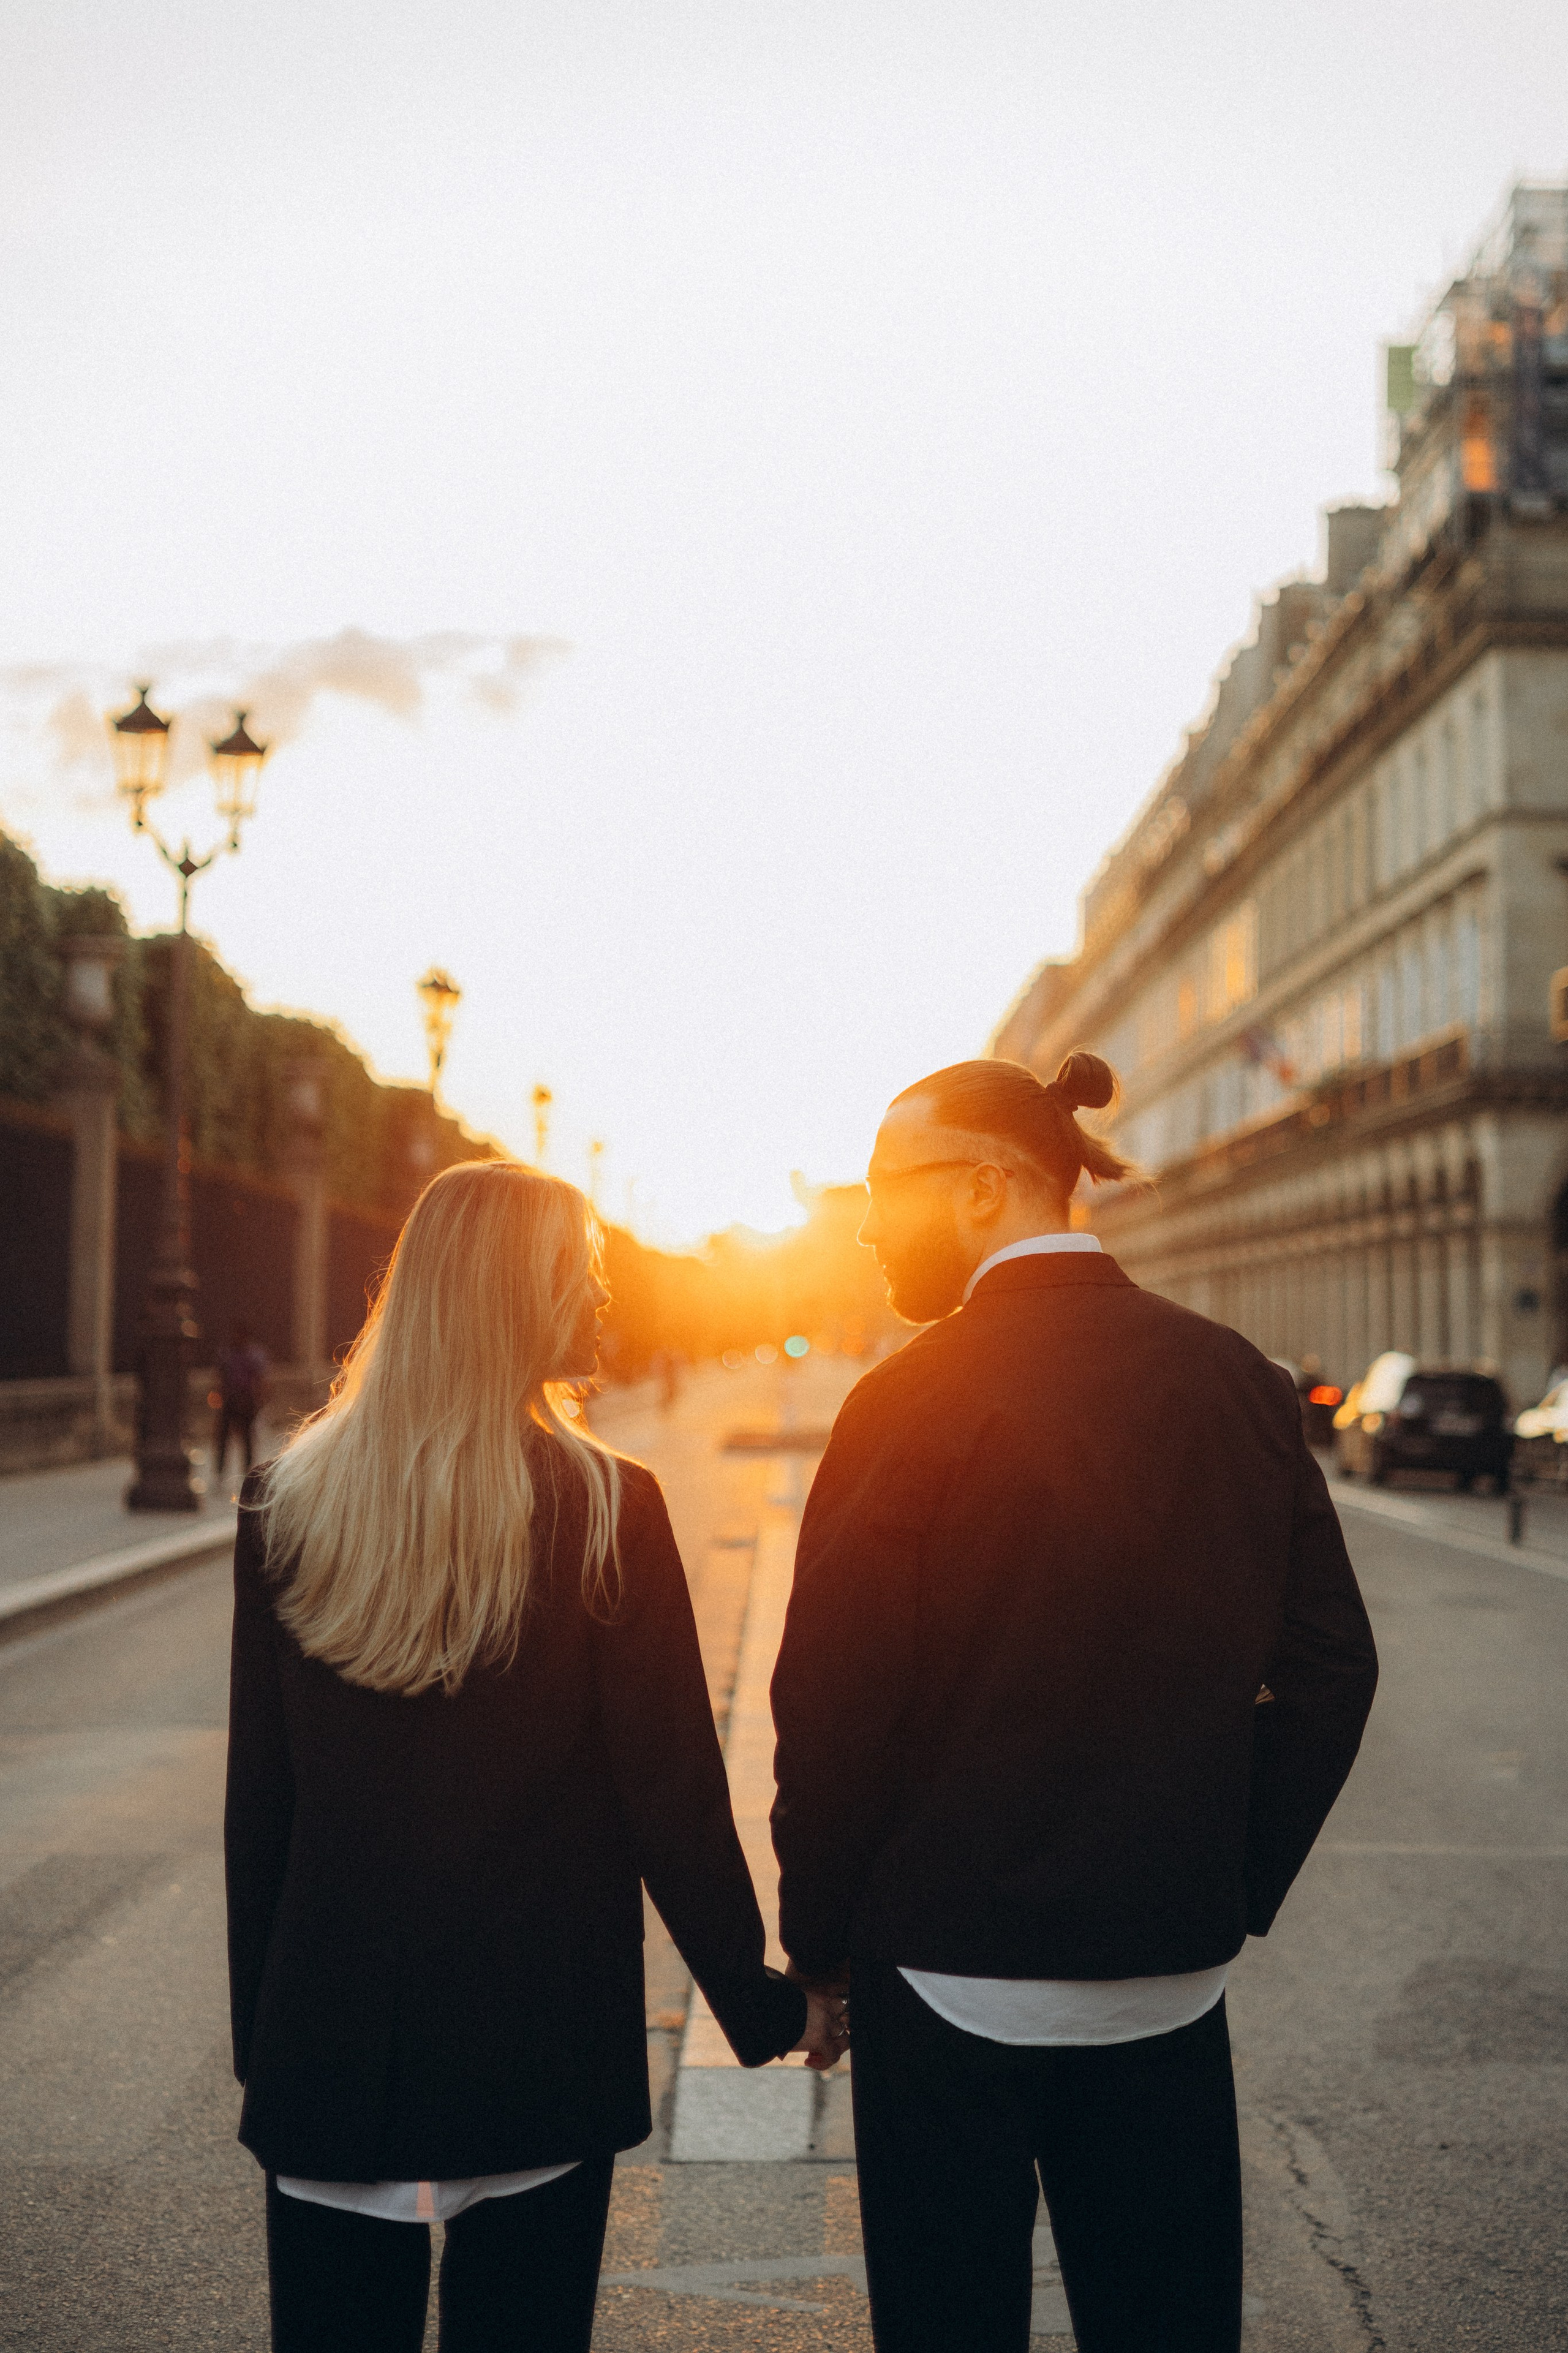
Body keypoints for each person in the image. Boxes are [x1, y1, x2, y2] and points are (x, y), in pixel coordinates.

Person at [771, 1052, 1378, 2353]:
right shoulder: (1234, 1381)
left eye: (887, 1185)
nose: (867, 1219)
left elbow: (833, 1709)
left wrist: (818, 1949)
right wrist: (1224, 1872)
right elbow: (1331, 1668)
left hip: (944, 1972)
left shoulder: (902, 1401)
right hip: (1165, 1977)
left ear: (985, 1185)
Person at [226, 1160, 844, 2353]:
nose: (604, 1300)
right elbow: (670, 1795)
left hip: (334, 2053)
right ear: (524, 1295)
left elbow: (264, 1810)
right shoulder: (607, 1504)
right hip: (535, 2050)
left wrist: (277, 2044)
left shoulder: (283, 1504)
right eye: (584, 1275)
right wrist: (766, 2006)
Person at [214, 1321, 270, 1482]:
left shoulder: (253, 1355)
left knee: (247, 1439)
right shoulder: (227, 1354)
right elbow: (220, 1378)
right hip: (230, 1400)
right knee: (224, 1438)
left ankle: (248, 1471)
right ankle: (220, 1471)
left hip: (246, 1400)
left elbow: (261, 1381)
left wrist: (260, 1402)